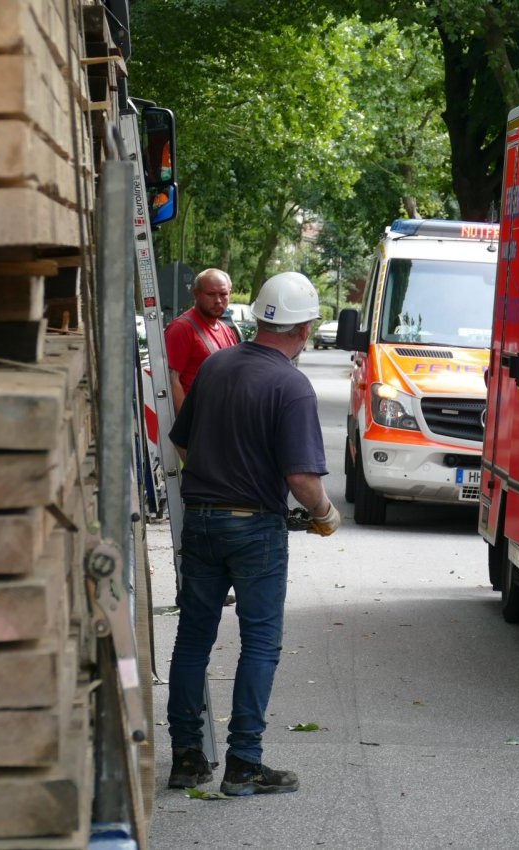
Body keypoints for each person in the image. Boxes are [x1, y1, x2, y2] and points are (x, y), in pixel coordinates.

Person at [165, 271, 342, 797]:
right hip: (255, 528)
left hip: (201, 519)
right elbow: (302, 480)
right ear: (305, 328)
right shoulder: (291, 385)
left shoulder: (217, 365)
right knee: (260, 643)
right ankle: (243, 763)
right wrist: (326, 514)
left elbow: (183, 442)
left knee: (193, 637)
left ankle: (186, 757)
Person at [164, 268, 239, 411]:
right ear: (196, 294)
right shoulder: (181, 328)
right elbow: (172, 381)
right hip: (198, 424)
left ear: (230, 293)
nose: (218, 300)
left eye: (223, 294)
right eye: (211, 294)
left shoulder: (227, 330)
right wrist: (185, 427)